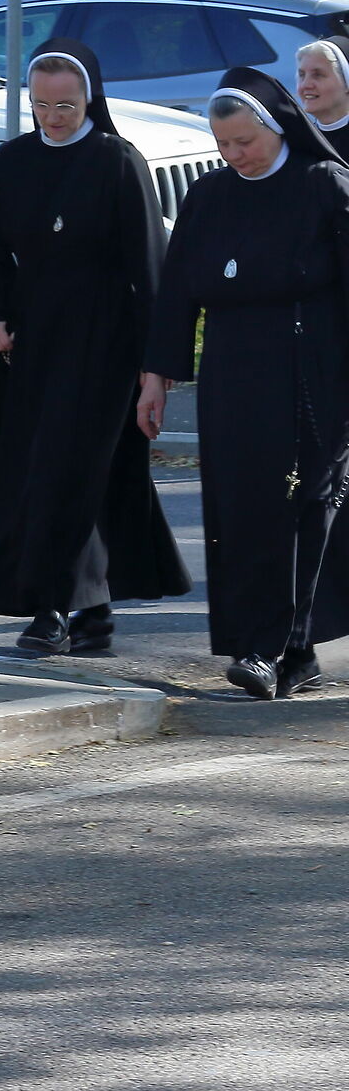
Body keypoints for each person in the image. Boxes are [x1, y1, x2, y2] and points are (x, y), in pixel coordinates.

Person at [0, 41, 188, 655]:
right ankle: (92, 609)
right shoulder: (14, 159)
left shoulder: (117, 161)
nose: (53, 116)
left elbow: (148, 268)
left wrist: (155, 369)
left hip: (103, 342)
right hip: (29, 343)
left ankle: (51, 609)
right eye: (40, 104)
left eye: (65, 104)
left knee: (67, 471)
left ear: (90, 97)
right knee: (34, 473)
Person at [141, 67, 349, 699]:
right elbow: (176, 292)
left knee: (302, 508)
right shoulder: (209, 195)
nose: (235, 156)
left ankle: (278, 647)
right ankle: (273, 647)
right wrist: (156, 377)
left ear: (275, 127)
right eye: (222, 144)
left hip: (311, 370)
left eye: (244, 144)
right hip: (232, 371)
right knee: (241, 507)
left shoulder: (325, 186)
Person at [296, 34, 349, 136]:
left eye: (318, 75)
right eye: (302, 75)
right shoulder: (301, 142)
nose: (305, 85)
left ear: (346, 83)